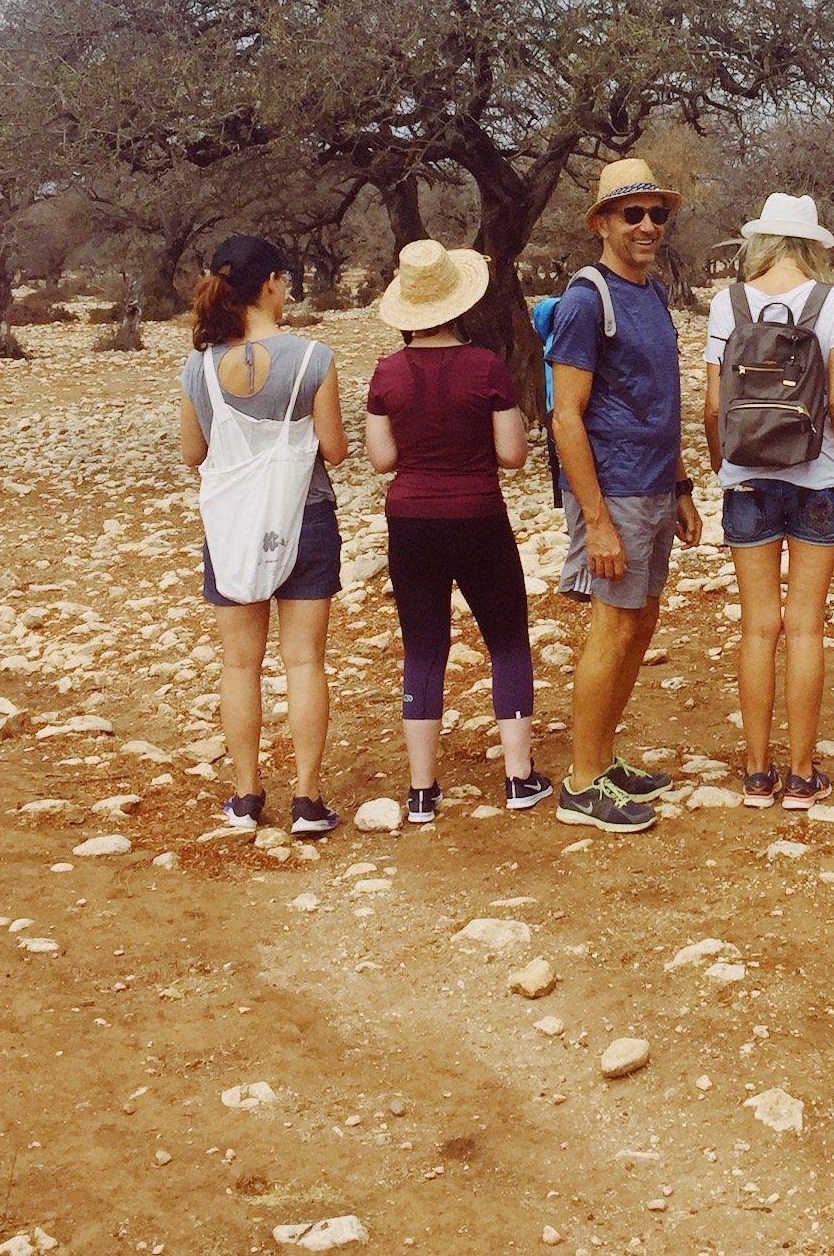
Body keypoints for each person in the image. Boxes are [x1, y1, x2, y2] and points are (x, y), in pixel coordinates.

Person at [364, 240, 545, 826]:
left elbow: (381, 459)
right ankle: (519, 777)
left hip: (410, 519)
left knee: (423, 647)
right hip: (478, 515)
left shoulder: (386, 372)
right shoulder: (487, 367)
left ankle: (422, 790)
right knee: (508, 641)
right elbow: (513, 455)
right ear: (458, 302)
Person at [547, 158, 703, 832]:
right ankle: (582, 782)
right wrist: (597, 520)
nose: (646, 226)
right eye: (630, 214)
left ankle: (604, 761)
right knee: (613, 627)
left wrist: (682, 485)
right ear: (602, 223)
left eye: (655, 214)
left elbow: (659, 402)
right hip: (614, 493)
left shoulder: (652, 293)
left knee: (640, 622)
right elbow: (565, 416)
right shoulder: (588, 299)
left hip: (654, 489)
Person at [178, 233, 348, 838]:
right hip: (306, 517)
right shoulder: (314, 358)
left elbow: (193, 454)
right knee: (304, 661)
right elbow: (334, 449)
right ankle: (307, 798)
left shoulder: (197, 365)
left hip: (232, 529)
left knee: (239, 665)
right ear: (272, 282)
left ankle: (247, 794)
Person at [704, 193, 834, 808]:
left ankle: (755, 773)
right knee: (805, 627)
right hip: (817, 477)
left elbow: (715, 405)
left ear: (762, 242)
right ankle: (800, 776)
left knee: (757, 628)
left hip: (746, 480)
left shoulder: (728, 303)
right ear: (812, 244)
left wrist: (724, 466)